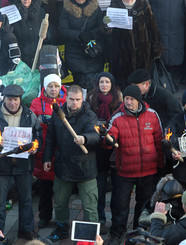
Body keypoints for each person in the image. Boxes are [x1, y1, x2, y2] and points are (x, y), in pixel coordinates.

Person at [0, 84, 40, 240]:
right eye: (10, 99)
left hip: (24, 165)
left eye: (16, 100)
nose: (13, 103)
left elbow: (38, 134)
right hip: (1, 165)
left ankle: (26, 229)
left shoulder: (29, 115)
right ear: (4, 99)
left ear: (20, 100)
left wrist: (35, 146)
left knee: (26, 199)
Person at [105, 84, 163, 244]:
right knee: (120, 204)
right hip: (125, 171)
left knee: (144, 203)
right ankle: (117, 233)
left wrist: (160, 164)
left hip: (149, 170)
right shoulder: (117, 117)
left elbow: (159, 141)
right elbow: (109, 139)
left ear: (139, 100)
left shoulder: (152, 115)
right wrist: (109, 139)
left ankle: (140, 230)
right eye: (126, 99)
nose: (128, 102)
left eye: (131, 99)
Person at [43, 85, 100, 242]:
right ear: (66, 98)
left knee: (89, 206)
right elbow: (50, 139)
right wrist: (47, 158)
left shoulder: (89, 116)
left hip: (85, 168)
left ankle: (91, 235)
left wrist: (85, 139)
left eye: (77, 100)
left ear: (82, 99)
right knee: (60, 203)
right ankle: (61, 228)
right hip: (63, 166)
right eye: (71, 99)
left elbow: (96, 136)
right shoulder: (57, 114)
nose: (74, 103)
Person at [86, 71, 122, 234]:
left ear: (112, 84)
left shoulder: (119, 100)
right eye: (101, 82)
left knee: (117, 188)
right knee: (99, 187)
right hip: (98, 149)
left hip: (114, 149)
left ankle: (117, 221)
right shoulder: (91, 99)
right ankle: (100, 219)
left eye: (107, 82)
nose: (104, 85)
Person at [30, 74, 67, 229]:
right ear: (45, 87)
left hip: (61, 151)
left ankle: (61, 219)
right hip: (44, 150)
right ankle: (44, 216)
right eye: (50, 86)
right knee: (45, 188)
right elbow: (31, 124)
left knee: (61, 189)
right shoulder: (36, 103)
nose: (53, 89)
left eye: (56, 86)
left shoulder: (66, 102)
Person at [108, 0, 162, 89]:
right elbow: (109, 30)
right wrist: (106, 25)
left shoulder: (143, 4)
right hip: (121, 54)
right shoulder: (115, 4)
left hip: (142, 53)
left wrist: (156, 49)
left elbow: (153, 28)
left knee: (141, 82)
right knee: (123, 83)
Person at [58, 0, 104, 90]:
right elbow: (62, 30)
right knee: (78, 88)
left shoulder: (95, 8)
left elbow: (101, 28)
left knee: (94, 89)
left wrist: (91, 35)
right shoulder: (66, 9)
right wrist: (79, 35)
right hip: (75, 55)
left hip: (92, 54)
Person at [148, 0, 185, 83]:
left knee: (175, 49)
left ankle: (172, 77)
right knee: (162, 49)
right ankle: (164, 77)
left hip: (176, 23)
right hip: (159, 21)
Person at [12, 0, 48, 67]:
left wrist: (46, 36)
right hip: (21, 60)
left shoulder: (41, 12)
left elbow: (47, 34)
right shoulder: (13, 15)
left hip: (38, 58)